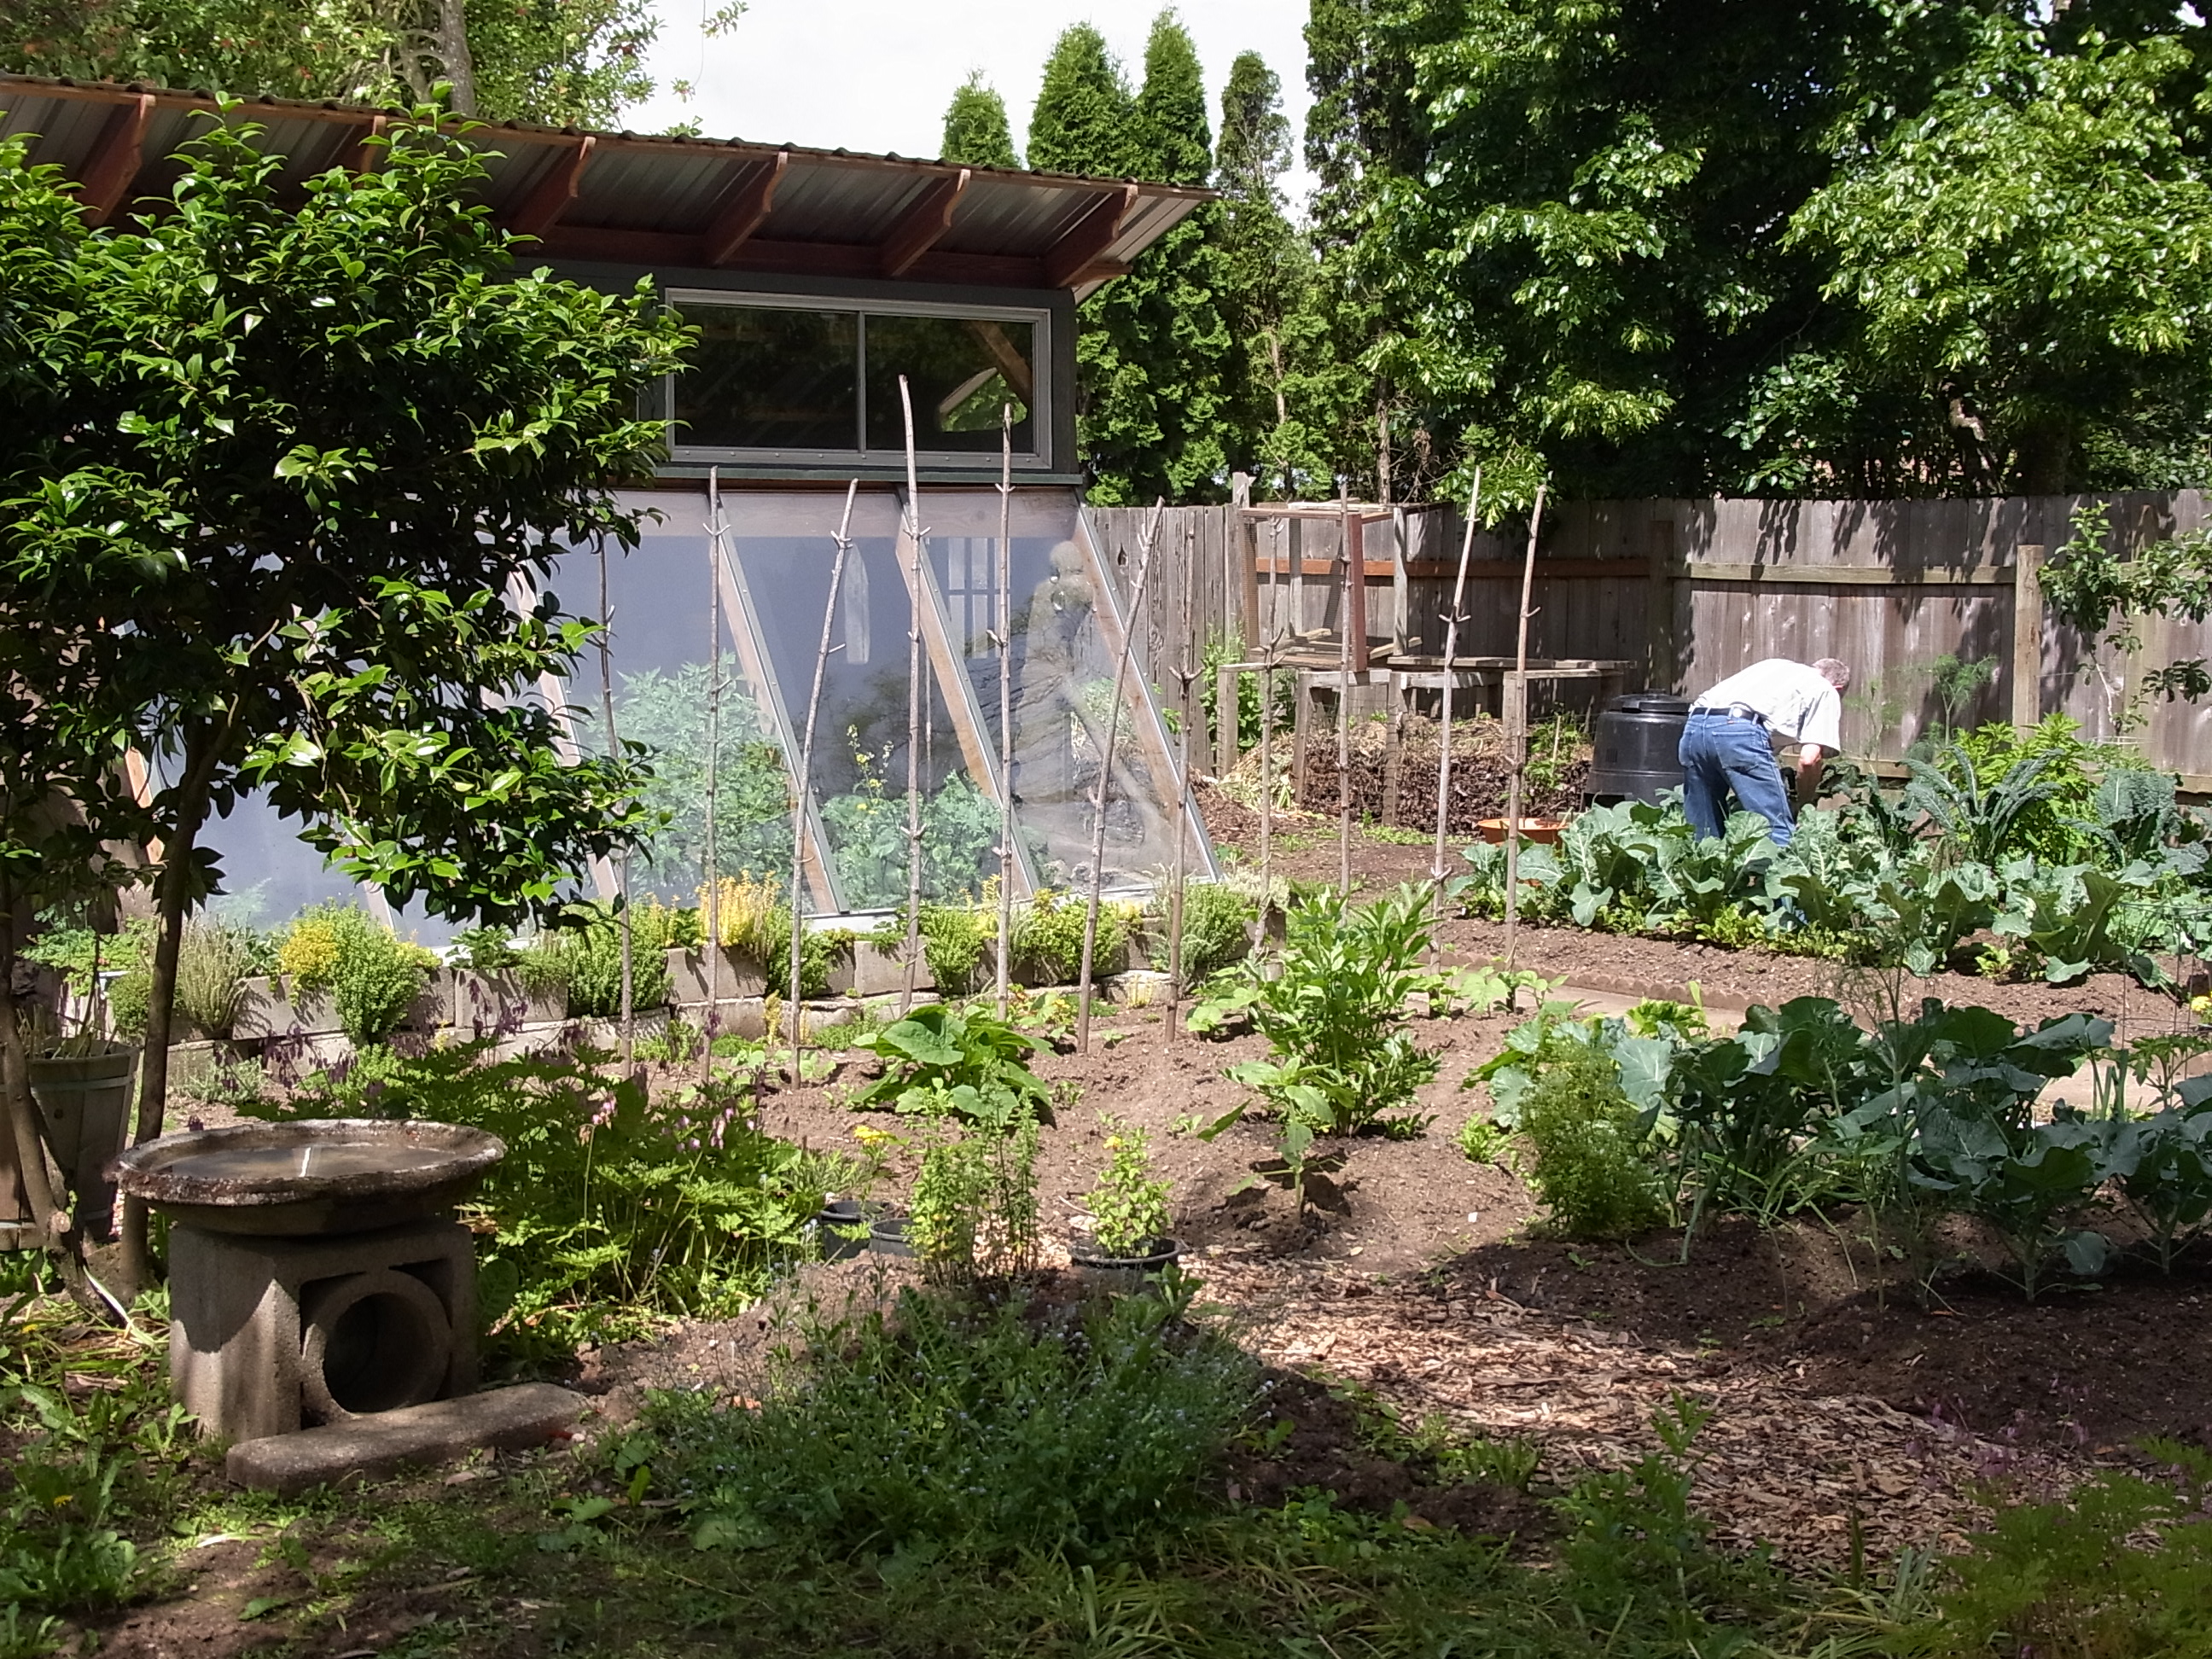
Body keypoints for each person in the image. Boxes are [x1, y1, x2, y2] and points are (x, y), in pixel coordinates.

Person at [1678, 657, 1852, 846]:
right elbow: (1809, 759)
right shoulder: (1825, 689)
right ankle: (1785, 873)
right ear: (1839, 690)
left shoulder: (1775, 666)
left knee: (1703, 832)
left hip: (1694, 727)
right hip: (1739, 733)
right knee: (1775, 831)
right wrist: (1803, 804)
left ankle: (1699, 872)